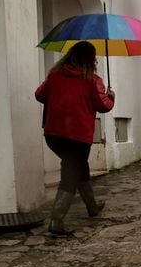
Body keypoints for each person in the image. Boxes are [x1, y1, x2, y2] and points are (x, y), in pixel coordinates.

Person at [35, 41, 115, 235]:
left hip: (54, 134)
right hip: (78, 136)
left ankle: (92, 207)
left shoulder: (54, 75)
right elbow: (104, 106)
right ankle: (56, 221)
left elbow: (39, 95)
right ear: (91, 60)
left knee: (78, 167)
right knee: (71, 173)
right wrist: (110, 96)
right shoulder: (92, 80)